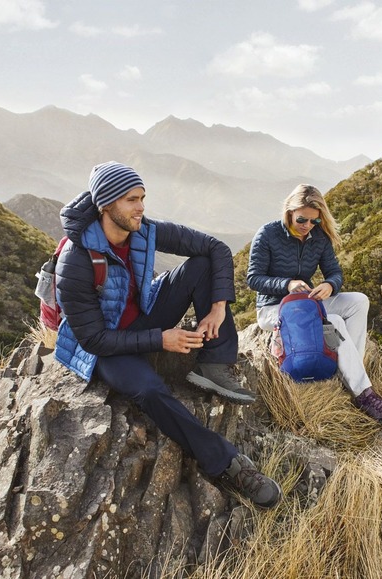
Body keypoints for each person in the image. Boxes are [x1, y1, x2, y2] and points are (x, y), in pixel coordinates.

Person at [53, 161, 282, 508]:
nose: (141, 207)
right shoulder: (76, 260)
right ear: (106, 204)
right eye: (131, 200)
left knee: (201, 266)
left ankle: (214, 364)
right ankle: (228, 464)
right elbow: (93, 339)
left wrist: (219, 305)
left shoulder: (143, 229)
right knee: (150, 391)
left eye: (142, 197)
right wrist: (162, 339)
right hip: (105, 346)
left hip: (143, 316)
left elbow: (216, 249)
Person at [247, 184, 382, 423]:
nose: (307, 226)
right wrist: (287, 284)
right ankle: (362, 393)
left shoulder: (319, 237)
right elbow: (253, 278)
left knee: (359, 301)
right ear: (289, 212)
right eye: (302, 220)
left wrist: (329, 285)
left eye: (314, 222)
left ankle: (351, 370)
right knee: (335, 321)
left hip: (307, 303)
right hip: (273, 308)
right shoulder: (267, 234)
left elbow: (335, 272)